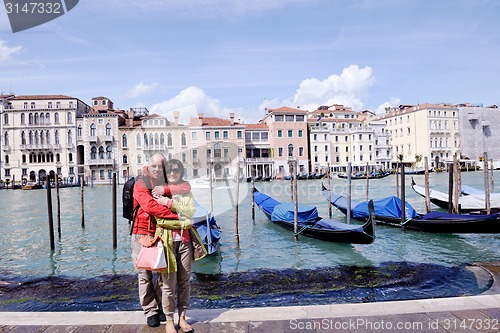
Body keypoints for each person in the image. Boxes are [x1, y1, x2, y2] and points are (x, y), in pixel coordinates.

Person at [131, 154, 191, 328]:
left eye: (160, 166)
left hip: (161, 231)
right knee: (144, 274)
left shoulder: (165, 180)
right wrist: (177, 216)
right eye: (154, 166)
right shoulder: (141, 183)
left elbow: (186, 186)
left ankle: (160, 308)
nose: (157, 169)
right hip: (142, 231)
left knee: (162, 272)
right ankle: (150, 311)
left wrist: (165, 191)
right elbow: (150, 206)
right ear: (148, 165)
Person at [153, 159, 207, 333]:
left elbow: (191, 212)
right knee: (168, 284)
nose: (173, 173)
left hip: (185, 242)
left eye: (176, 171)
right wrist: (182, 221)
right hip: (167, 242)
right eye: (169, 171)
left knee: (184, 282)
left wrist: (169, 204)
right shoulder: (159, 192)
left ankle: (182, 317)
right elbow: (160, 219)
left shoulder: (183, 192)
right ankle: (169, 320)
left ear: (181, 172)